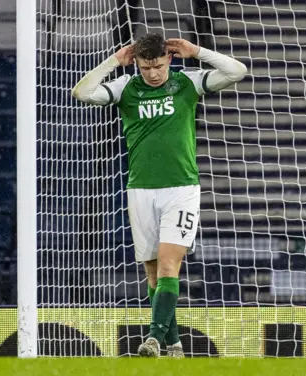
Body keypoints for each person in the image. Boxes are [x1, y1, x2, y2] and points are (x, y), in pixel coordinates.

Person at [71, 32, 247, 358]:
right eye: (145, 67)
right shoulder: (126, 87)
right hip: (140, 191)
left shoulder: (186, 83)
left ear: (169, 59)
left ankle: (152, 338)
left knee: (168, 267)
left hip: (181, 189)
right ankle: (175, 346)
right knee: (153, 274)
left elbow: (237, 71)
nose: (153, 74)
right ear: (136, 63)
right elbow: (82, 92)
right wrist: (114, 61)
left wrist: (197, 51)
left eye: (158, 66)